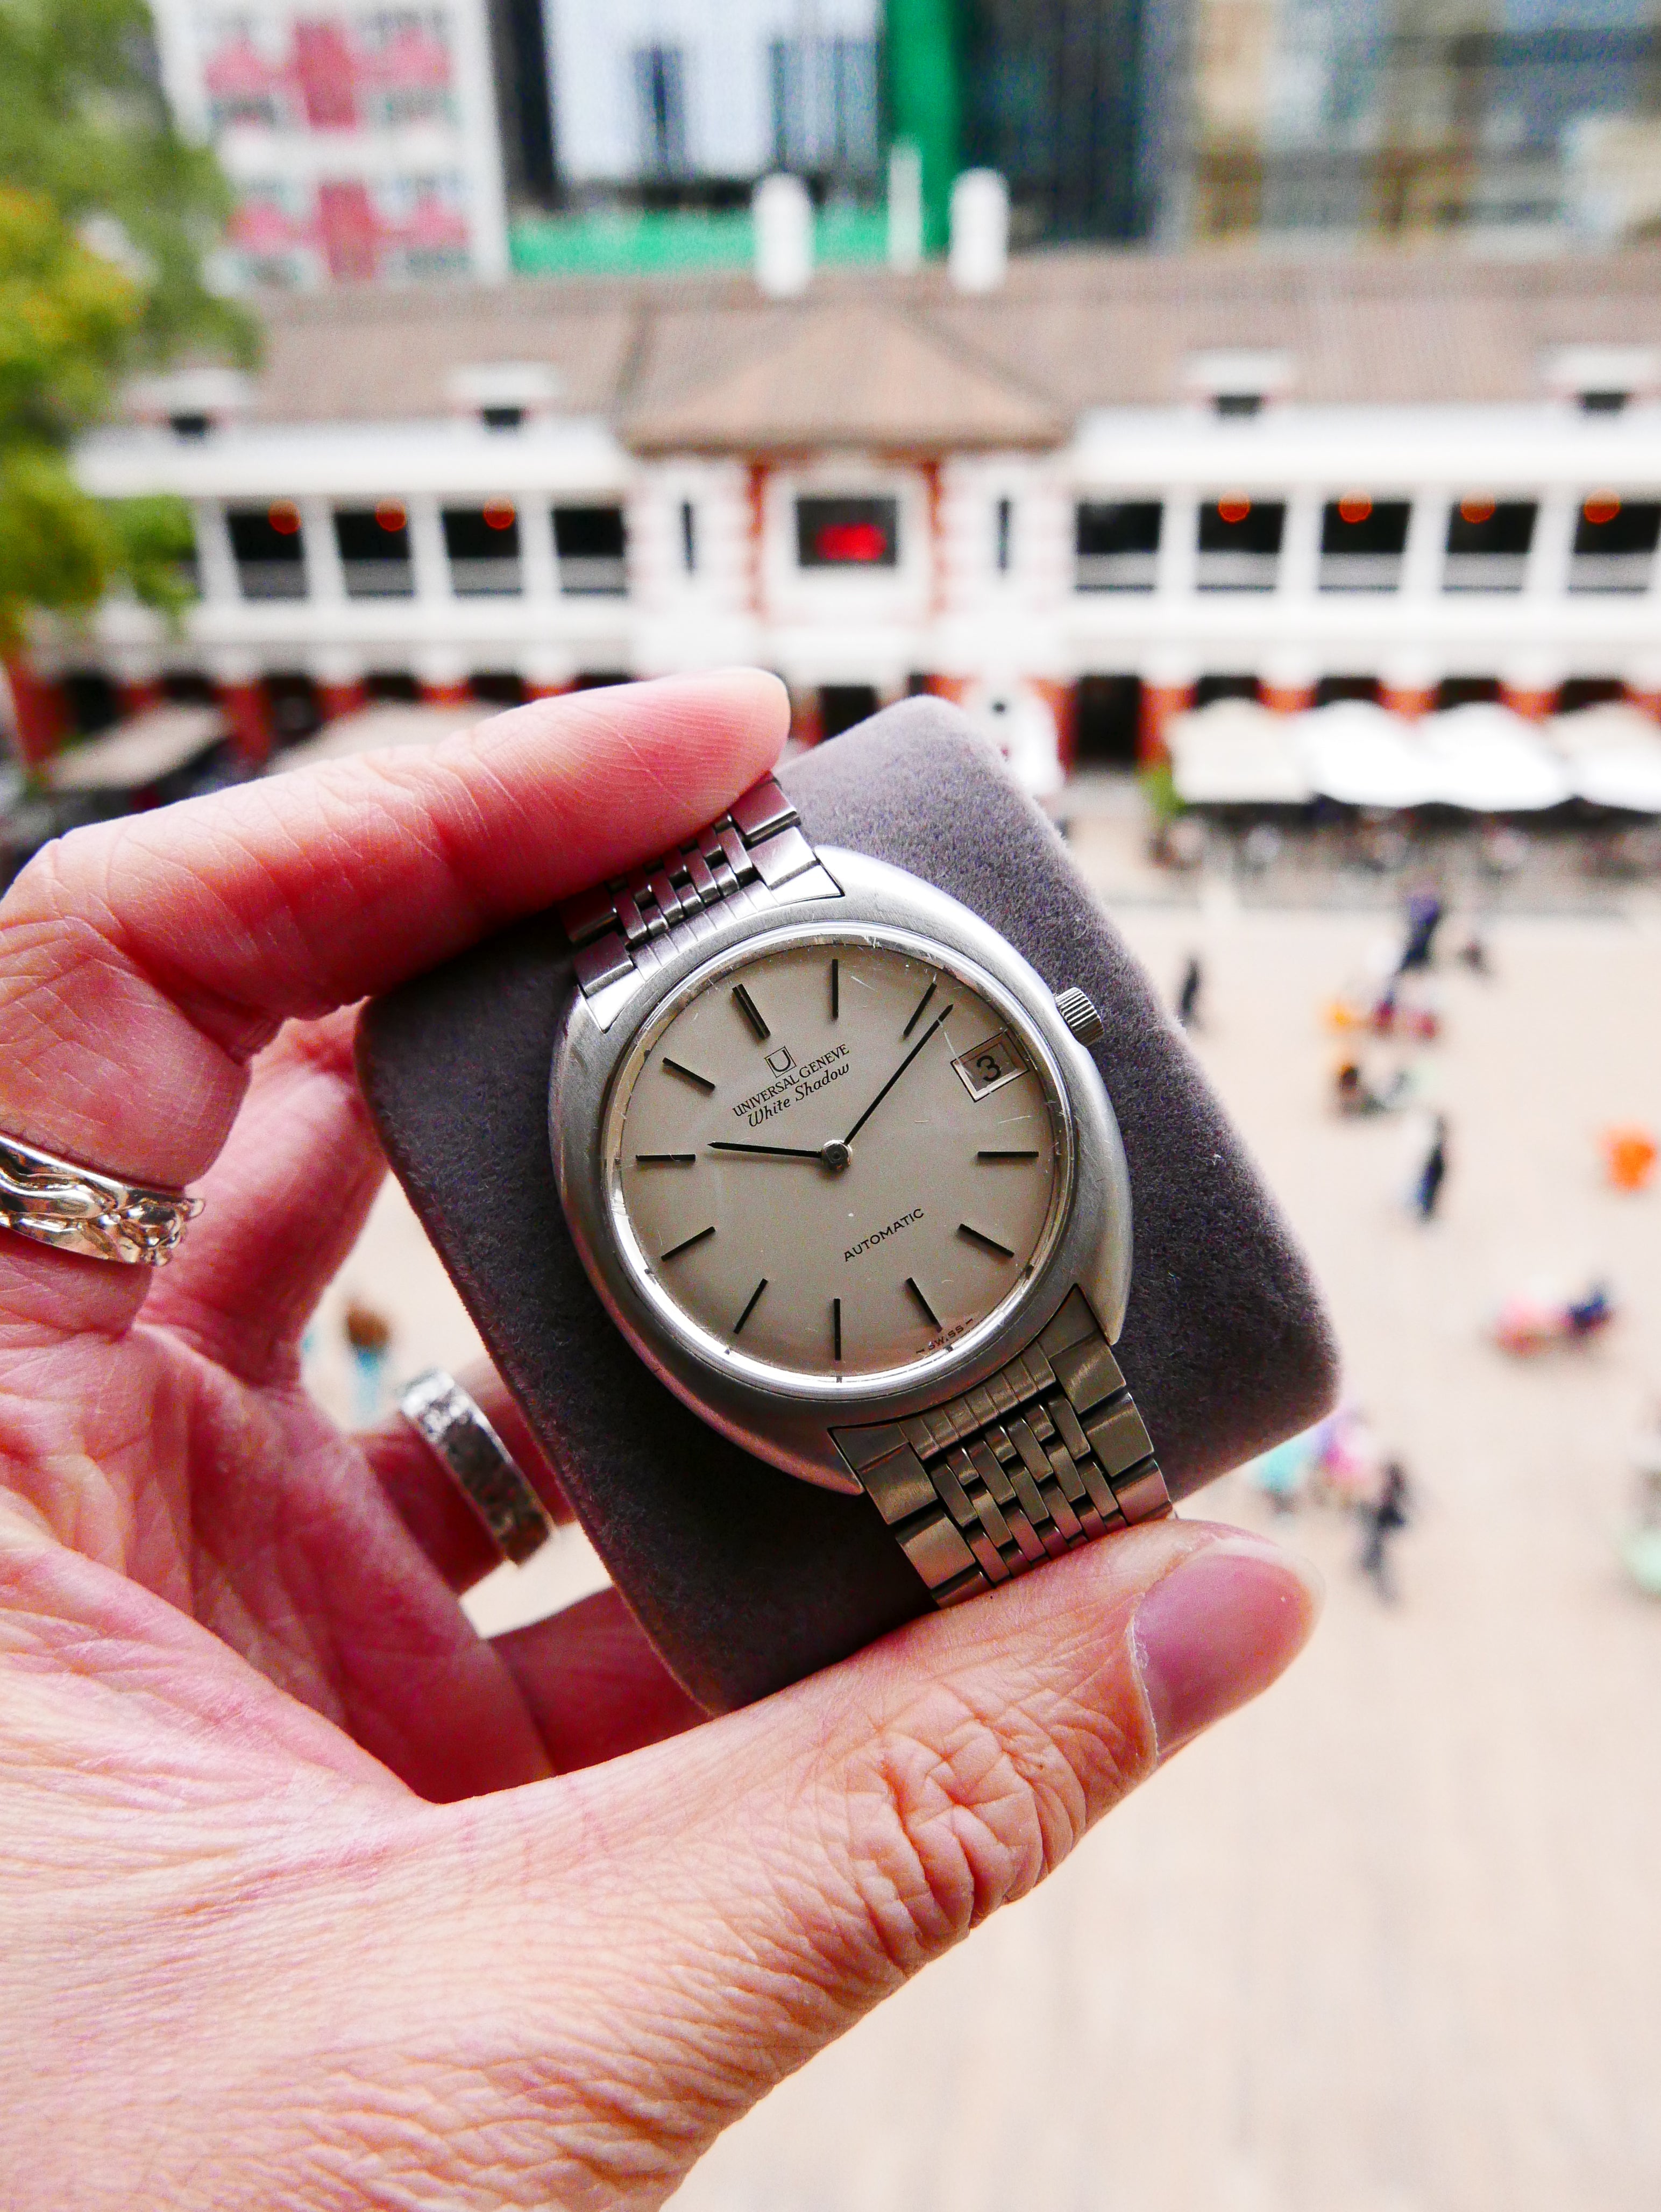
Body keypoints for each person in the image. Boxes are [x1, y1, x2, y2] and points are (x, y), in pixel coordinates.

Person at [0, 672, 1318, 2206]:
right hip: (867, 1357)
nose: (832, 1152)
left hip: (963, 1299)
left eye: (834, 1138)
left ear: (1059, 1032)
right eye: (800, 1150)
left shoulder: (772, 969)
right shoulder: (630, 1124)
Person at [1358, 1461, 1411, 1602]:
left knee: (1380, 1560)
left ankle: (1388, 1594)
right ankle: (1366, 1565)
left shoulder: (1391, 1494)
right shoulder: (1391, 1491)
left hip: (1381, 1530)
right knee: (1373, 1554)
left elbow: (1390, 1514)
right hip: (1379, 1529)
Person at [1414, 1115, 1449, 1220]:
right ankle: (1426, 1214)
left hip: (1434, 1166)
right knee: (1429, 1193)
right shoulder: (1435, 1142)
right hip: (1433, 1166)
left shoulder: (1437, 1143)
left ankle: (1426, 1213)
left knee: (1430, 1193)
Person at [1176, 952, 1203, 1028]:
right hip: (1187, 1006)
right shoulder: (1194, 978)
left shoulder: (1193, 979)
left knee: (1184, 1024)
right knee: (1185, 1025)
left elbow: (1190, 994)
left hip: (1187, 1006)